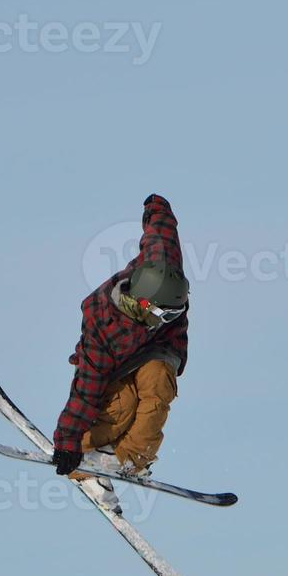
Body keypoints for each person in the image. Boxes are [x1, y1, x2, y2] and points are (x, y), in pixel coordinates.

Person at [52, 194, 189, 480]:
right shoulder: (102, 326)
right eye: (165, 315)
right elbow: (85, 390)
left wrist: (156, 207)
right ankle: (85, 459)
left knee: (157, 387)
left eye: (176, 313)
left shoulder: (164, 261)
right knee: (120, 407)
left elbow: (162, 231)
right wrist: (66, 441)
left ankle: (131, 459)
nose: (171, 318)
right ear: (143, 305)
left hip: (161, 346)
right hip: (116, 357)